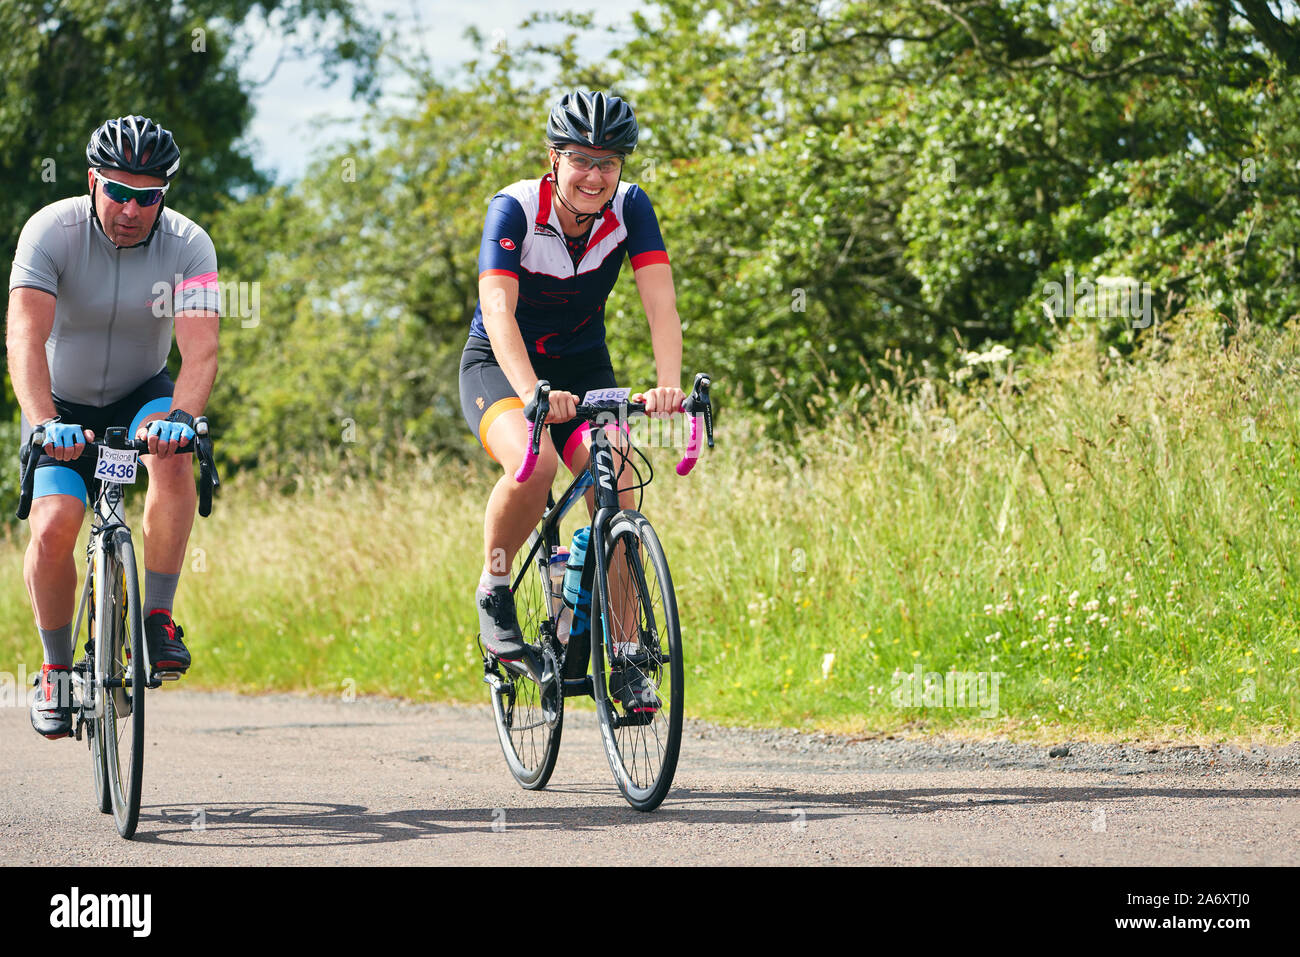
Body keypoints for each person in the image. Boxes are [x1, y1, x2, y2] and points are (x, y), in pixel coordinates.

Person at [459, 89, 686, 715]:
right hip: (503, 368)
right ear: (552, 159)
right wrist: (533, 392)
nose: (595, 175)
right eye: (581, 159)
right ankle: (496, 587)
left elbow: (660, 306)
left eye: (609, 162)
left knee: (616, 478)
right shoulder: (513, 209)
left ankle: (628, 651)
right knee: (534, 468)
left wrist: (668, 383)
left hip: (584, 369)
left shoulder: (632, 209)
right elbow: (498, 312)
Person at [7, 115, 221, 739]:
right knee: (54, 527)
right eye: (118, 192)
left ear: (164, 195)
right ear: (93, 181)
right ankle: (53, 668)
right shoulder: (51, 231)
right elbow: (24, 338)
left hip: (139, 394)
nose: (131, 208)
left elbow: (199, 351)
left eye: (147, 196)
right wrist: (45, 422)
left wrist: (182, 419)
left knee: (174, 455)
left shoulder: (188, 244)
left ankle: (157, 616)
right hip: (61, 405)